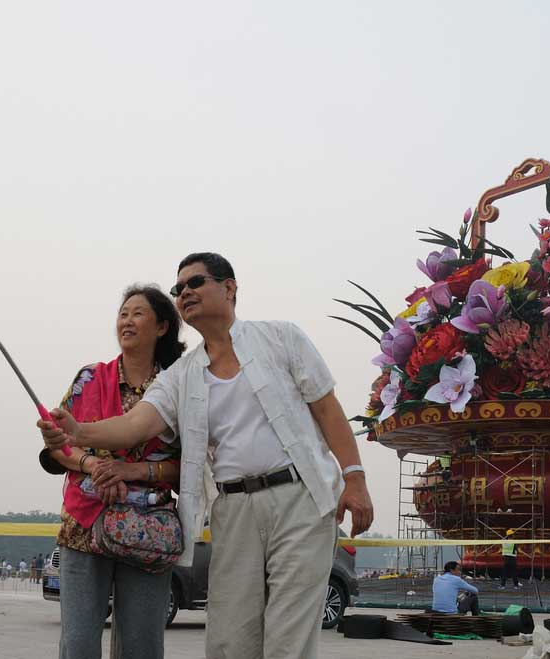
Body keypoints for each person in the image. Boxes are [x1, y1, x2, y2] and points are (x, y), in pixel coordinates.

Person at [40, 253, 374, 659]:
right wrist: (78, 431)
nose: (185, 293)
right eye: (179, 289)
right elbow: (136, 423)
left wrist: (354, 478)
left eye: (195, 283)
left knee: (289, 636)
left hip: (299, 499)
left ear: (229, 288)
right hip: (232, 510)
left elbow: (326, 408)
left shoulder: (282, 338)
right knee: (229, 638)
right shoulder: (182, 374)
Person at [38, 283, 185, 659]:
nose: (127, 321)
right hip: (84, 526)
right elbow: (60, 445)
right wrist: (93, 465)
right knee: (79, 643)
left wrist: (132, 471)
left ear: (163, 327)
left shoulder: (179, 387)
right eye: (123, 314)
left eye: (138, 313)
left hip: (148, 531)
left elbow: (192, 465)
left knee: (143, 645)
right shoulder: (89, 378)